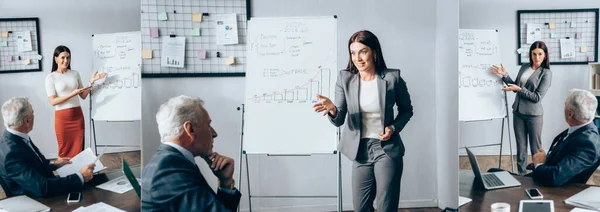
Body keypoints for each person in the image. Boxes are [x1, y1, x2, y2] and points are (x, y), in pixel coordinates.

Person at [313, 30, 413, 212]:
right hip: (359, 150)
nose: (357, 58)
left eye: (363, 51)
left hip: (386, 149)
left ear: (374, 52)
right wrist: (333, 109)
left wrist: (393, 128)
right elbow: (339, 120)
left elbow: (407, 111)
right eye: (353, 53)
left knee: (386, 207)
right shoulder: (345, 79)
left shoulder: (392, 78)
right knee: (361, 208)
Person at [141, 95, 241, 212]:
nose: (214, 133)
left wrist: (225, 182)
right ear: (190, 129)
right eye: (208, 125)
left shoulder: (173, 161)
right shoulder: (169, 169)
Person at [0, 97, 95, 197]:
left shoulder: (13, 137)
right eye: (33, 113)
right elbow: (42, 188)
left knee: (95, 179)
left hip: (42, 187)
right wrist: (81, 177)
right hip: (36, 199)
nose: (34, 116)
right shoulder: (11, 153)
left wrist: (53, 165)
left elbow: (28, 165)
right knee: (91, 190)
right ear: (26, 120)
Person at [491, 41, 553, 175]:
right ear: (530, 55)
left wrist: (519, 89)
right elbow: (515, 87)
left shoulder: (546, 73)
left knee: (536, 148)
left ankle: (540, 174)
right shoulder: (525, 67)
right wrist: (504, 75)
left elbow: (537, 97)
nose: (537, 58)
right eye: (534, 54)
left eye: (540, 54)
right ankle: (521, 175)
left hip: (533, 115)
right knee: (521, 147)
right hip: (518, 112)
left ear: (545, 55)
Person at [45, 45, 106, 158]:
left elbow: (83, 95)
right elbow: (53, 101)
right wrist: (71, 94)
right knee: (64, 149)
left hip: (77, 117)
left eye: (68, 57)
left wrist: (91, 82)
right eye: (63, 57)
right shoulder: (51, 77)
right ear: (56, 58)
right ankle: (65, 175)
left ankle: (79, 174)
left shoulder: (75, 74)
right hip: (62, 118)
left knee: (79, 150)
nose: (66, 60)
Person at [531, 89, 600, 186]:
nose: (564, 107)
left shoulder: (588, 144)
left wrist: (538, 164)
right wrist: (545, 159)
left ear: (570, 114)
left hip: (551, 189)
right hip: (543, 175)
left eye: (565, 104)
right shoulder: (579, 128)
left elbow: (555, 177)